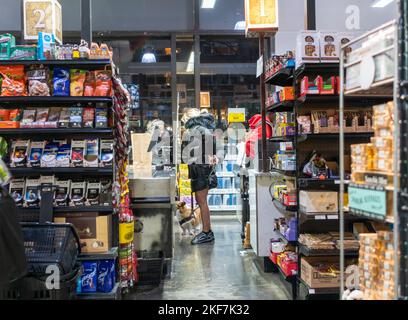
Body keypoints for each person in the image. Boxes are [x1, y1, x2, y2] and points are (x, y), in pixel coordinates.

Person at [182, 109, 218, 245]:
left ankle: (207, 232)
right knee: (201, 201)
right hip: (201, 170)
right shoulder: (200, 129)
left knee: (202, 201)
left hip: (201, 171)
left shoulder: (198, 129)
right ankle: (207, 231)